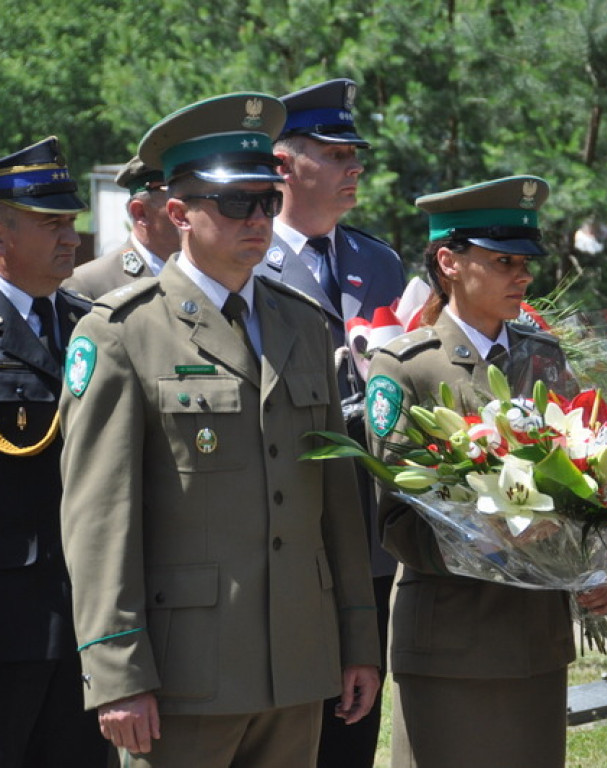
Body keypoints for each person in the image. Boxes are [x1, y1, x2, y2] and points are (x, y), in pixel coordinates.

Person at [59, 92, 380, 768]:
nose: (259, 219)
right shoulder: (121, 332)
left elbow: (338, 504)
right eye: (237, 203)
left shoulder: (299, 321)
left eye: (268, 201)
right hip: (183, 676)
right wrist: (118, 672)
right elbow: (100, 519)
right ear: (179, 213)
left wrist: (356, 638)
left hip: (297, 663)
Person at [366, 176, 607, 768]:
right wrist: (495, 538)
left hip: (535, 641)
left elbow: (589, 479)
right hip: (452, 638)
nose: (523, 275)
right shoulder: (407, 368)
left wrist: (602, 565)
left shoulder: (543, 357)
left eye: (526, 261)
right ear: (448, 262)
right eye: (503, 260)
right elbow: (398, 519)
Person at [253, 77, 405, 768]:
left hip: (365, 537)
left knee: (352, 729)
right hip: (282, 535)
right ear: (284, 165)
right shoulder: (247, 259)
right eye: (337, 153)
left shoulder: (377, 262)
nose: (355, 169)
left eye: (356, 154)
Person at [0, 136, 108, 767]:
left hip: (85, 619)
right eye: (51, 224)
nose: (70, 237)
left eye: (72, 222)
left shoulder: (89, 324)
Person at [64, 156, 179, 298]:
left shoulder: (206, 275)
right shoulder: (87, 285)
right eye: (178, 197)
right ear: (140, 213)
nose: (195, 209)